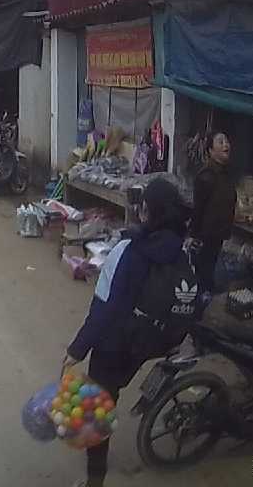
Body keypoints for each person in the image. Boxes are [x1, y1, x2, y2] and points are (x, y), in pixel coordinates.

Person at [63, 178, 190, 487]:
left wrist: (77, 350)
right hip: (154, 341)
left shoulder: (128, 250)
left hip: (117, 342)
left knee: (96, 406)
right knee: (116, 383)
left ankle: (95, 480)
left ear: (146, 210)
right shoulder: (181, 250)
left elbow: (105, 308)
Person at [189, 131, 236, 294]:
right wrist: (194, 236)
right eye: (220, 142)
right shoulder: (205, 176)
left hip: (219, 234)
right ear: (210, 150)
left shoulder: (227, 174)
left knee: (210, 273)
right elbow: (198, 209)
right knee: (203, 275)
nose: (226, 145)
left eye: (227, 141)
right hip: (205, 236)